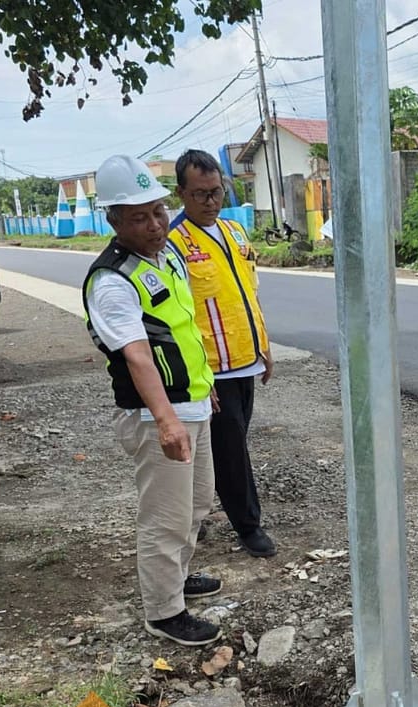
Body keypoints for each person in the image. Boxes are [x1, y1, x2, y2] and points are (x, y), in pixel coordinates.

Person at [83, 154, 221, 647]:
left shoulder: (166, 256)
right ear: (114, 220)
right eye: (139, 217)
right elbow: (139, 357)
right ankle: (163, 612)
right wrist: (167, 421)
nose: (155, 224)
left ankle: (177, 579)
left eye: (158, 211)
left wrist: (205, 391)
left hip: (193, 405)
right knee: (164, 516)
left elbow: (182, 333)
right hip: (157, 416)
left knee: (197, 502)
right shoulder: (113, 281)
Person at [167, 149, 276, 559]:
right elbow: (177, 317)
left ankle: (208, 508)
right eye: (200, 194)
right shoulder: (175, 244)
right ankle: (248, 525)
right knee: (232, 450)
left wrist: (264, 346)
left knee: (233, 442)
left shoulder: (234, 234)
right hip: (212, 370)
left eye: (216, 192)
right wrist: (200, 375)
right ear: (182, 194)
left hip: (245, 360)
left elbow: (249, 294)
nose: (211, 201)